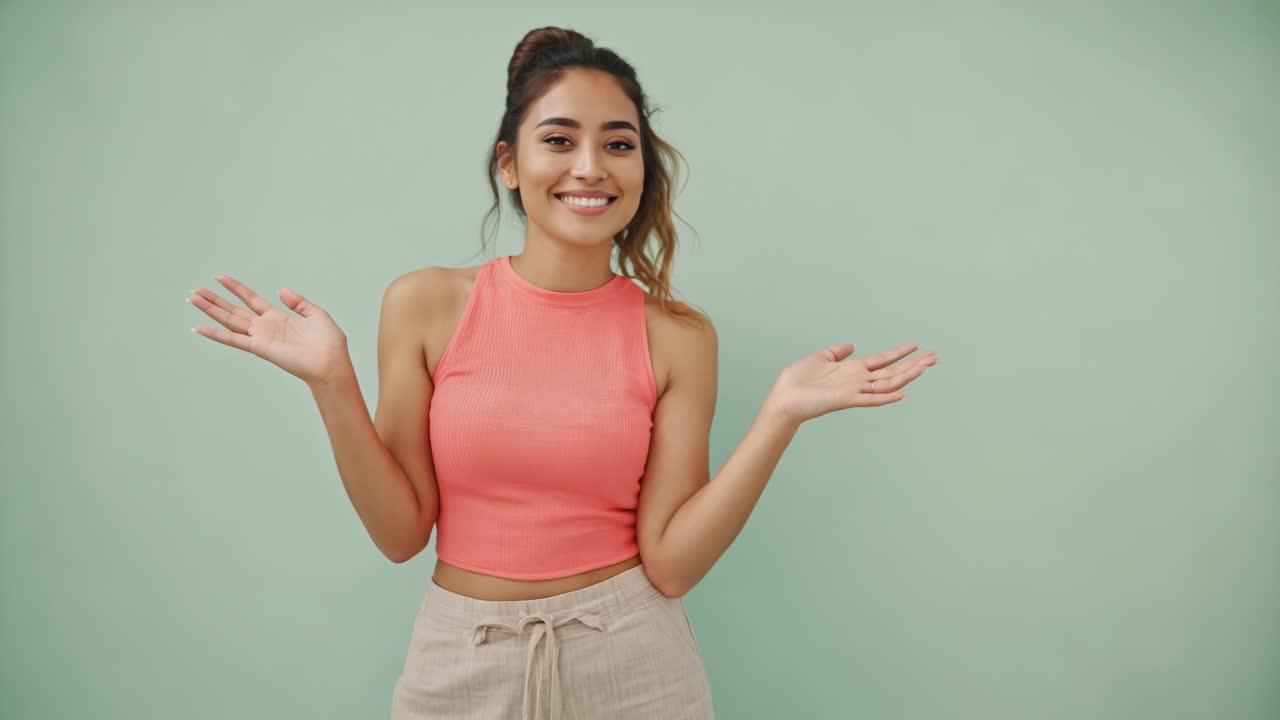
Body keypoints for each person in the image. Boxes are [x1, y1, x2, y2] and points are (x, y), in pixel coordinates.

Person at [185, 25, 939, 720]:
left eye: (618, 144)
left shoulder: (678, 336)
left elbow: (672, 566)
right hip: (461, 662)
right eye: (558, 139)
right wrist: (331, 383)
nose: (590, 168)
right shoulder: (424, 304)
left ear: (642, 165)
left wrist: (779, 415)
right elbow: (399, 532)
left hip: (635, 663)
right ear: (510, 164)